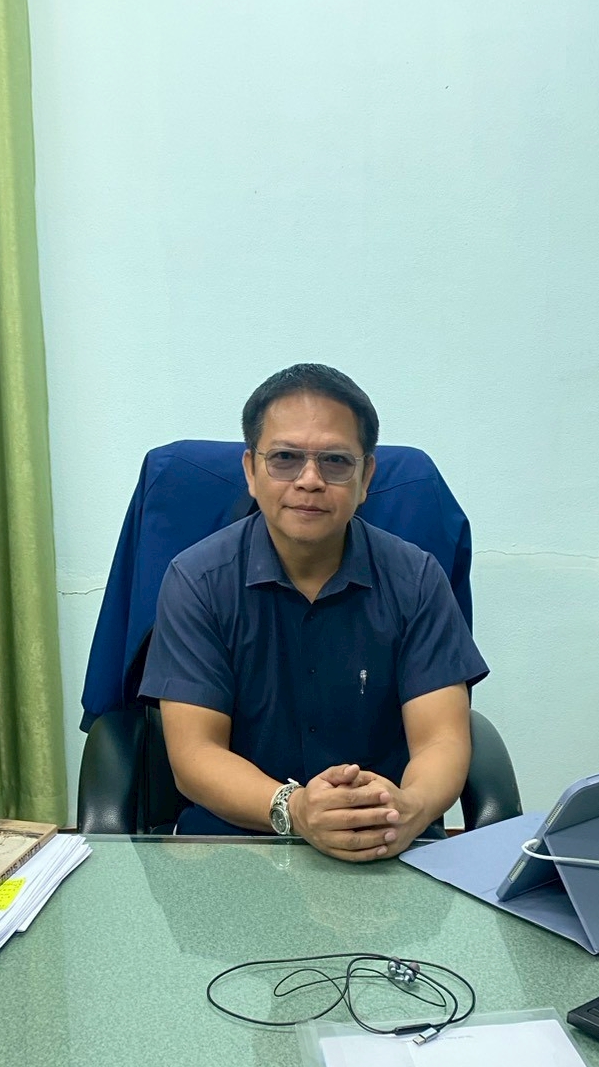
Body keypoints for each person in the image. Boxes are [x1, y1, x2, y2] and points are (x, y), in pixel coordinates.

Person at [138, 364, 487, 861]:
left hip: (387, 841)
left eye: (335, 461)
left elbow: (441, 740)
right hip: (240, 843)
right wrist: (296, 808)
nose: (309, 480)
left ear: (365, 478)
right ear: (250, 471)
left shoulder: (416, 579)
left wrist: (410, 807)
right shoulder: (197, 581)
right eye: (284, 458)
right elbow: (196, 755)